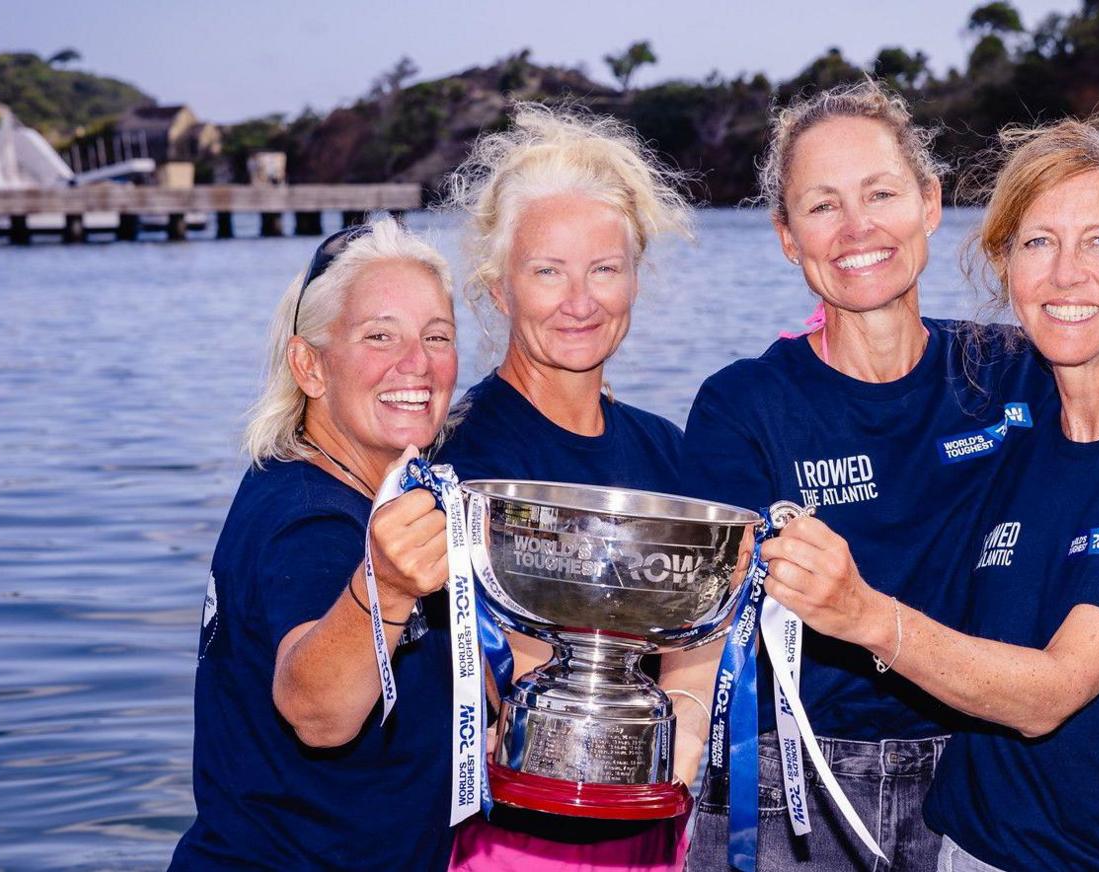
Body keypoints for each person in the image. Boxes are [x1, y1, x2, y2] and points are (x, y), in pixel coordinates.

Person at [679, 81, 1099, 871]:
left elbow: (1059, 680)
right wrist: (672, 760)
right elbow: (697, 622)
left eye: (880, 192)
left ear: (931, 204)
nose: (857, 227)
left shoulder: (1022, 381)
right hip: (854, 798)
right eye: (1039, 243)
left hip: (1000, 790)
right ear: (784, 235)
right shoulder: (753, 404)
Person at [439, 104, 707, 872]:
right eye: (547, 271)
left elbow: (697, 645)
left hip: (654, 829)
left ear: (635, 277)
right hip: (512, 838)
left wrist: (680, 741)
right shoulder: (460, 452)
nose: (580, 301)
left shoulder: (667, 455)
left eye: (604, 269)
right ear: (499, 288)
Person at [171, 219, 461, 870]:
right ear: (310, 365)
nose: (416, 363)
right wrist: (382, 587)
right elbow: (314, 710)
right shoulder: (313, 522)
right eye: (378, 336)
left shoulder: (297, 476)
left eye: (436, 337)